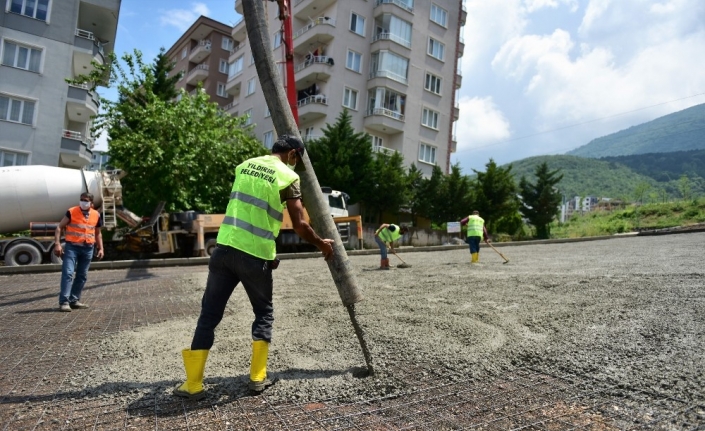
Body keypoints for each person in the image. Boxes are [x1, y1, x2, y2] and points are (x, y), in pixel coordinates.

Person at [174, 135, 335, 400]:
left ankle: (193, 384)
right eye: (297, 159)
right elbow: (299, 225)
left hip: (224, 248)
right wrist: (322, 244)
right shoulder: (288, 177)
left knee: (209, 315)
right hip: (255, 255)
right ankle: (257, 378)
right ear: (293, 154)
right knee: (263, 313)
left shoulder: (244, 166)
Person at [54, 192, 104, 312]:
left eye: (86, 200)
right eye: (81, 200)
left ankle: (74, 300)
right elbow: (59, 227)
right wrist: (57, 244)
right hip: (72, 247)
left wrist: (101, 248)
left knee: (82, 275)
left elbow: (98, 233)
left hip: (88, 248)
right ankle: (64, 302)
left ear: (91, 203)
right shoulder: (71, 212)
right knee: (68, 273)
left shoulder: (96, 215)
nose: (83, 202)